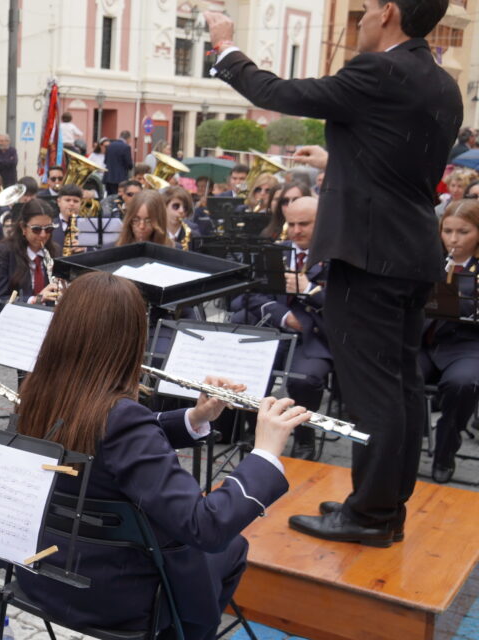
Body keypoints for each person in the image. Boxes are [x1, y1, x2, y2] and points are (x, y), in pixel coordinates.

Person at [207, 0, 463, 545]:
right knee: (402, 388)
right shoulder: (440, 84)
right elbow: (397, 163)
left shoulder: (377, 70)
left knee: (373, 394)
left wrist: (226, 45)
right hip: (411, 252)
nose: (364, 17)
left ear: (389, 12)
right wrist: (337, 159)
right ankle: (383, 507)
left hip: (368, 259)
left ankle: (368, 516)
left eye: (369, 7)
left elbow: (276, 92)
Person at [13, 271, 310, 640]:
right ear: (131, 338)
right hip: (117, 598)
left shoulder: (35, 397)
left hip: (44, 575)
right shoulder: (121, 420)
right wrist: (265, 450)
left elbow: (108, 436)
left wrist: (195, 417)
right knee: (232, 547)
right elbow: (206, 527)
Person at [230, 197, 331, 461]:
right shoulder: (275, 251)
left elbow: (342, 310)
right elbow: (245, 297)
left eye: (304, 224)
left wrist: (309, 290)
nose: (296, 231)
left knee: (306, 378)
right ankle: (257, 430)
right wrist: (284, 316)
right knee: (244, 370)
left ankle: (304, 436)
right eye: (292, 223)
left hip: (314, 338)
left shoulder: (336, 258)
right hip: (274, 330)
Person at [422, 199, 479, 482]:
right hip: (424, 343)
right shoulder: (426, 260)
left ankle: (446, 448)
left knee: (462, 384)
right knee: (397, 376)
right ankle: (400, 448)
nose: (453, 239)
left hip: (465, 347)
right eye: (447, 231)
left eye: (463, 232)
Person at [0, 199, 61, 305]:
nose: (43, 235)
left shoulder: (55, 250)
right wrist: (35, 300)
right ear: (23, 227)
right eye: (36, 229)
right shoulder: (3, 252)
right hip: (14, 318)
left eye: (48, 229)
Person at [104, 131, 135, 195]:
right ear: (128, 138)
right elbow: (129, 164)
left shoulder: (110, 145)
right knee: (119, 198)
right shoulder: (126, 147)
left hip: (108, 177)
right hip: (120, 178)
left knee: (109, 197)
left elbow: (105, 161)